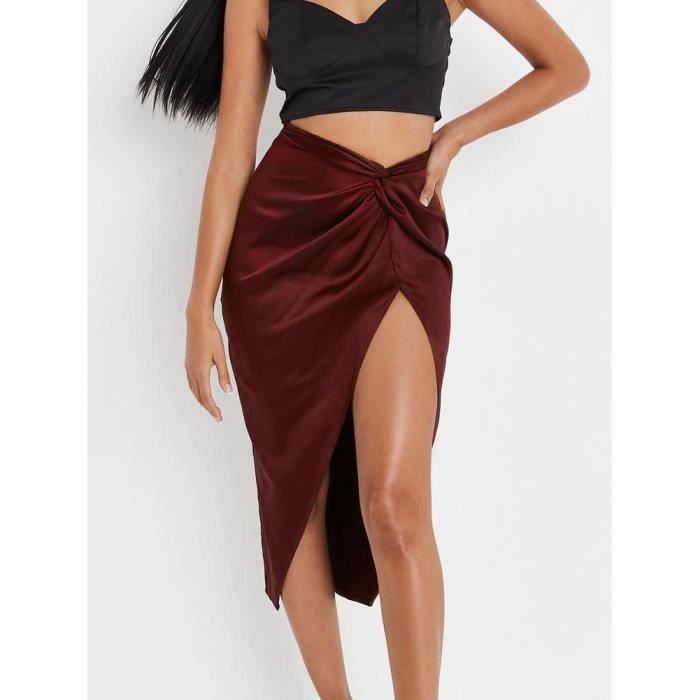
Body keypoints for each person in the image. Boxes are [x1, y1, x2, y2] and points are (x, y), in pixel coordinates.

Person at [139, 0, 588, 696]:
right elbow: (232, 156)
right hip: (283, 251)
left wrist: (456, 134)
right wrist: (199, 305)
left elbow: (565, 67)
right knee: (298, 495)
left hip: (401, 228)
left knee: (395, 506)